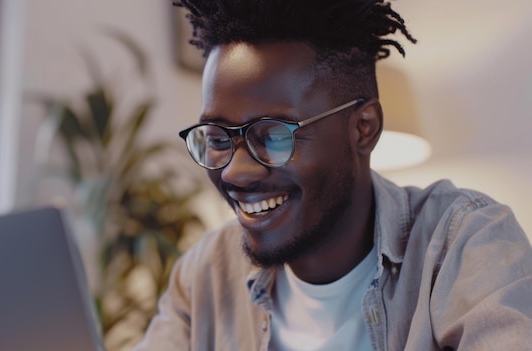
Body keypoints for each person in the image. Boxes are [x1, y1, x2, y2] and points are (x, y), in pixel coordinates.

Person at [134, 0, 532, 350]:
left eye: (273, 135)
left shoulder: (465, 243)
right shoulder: (205, 272)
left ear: (364, 128)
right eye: (219, 138)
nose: (236, 172)